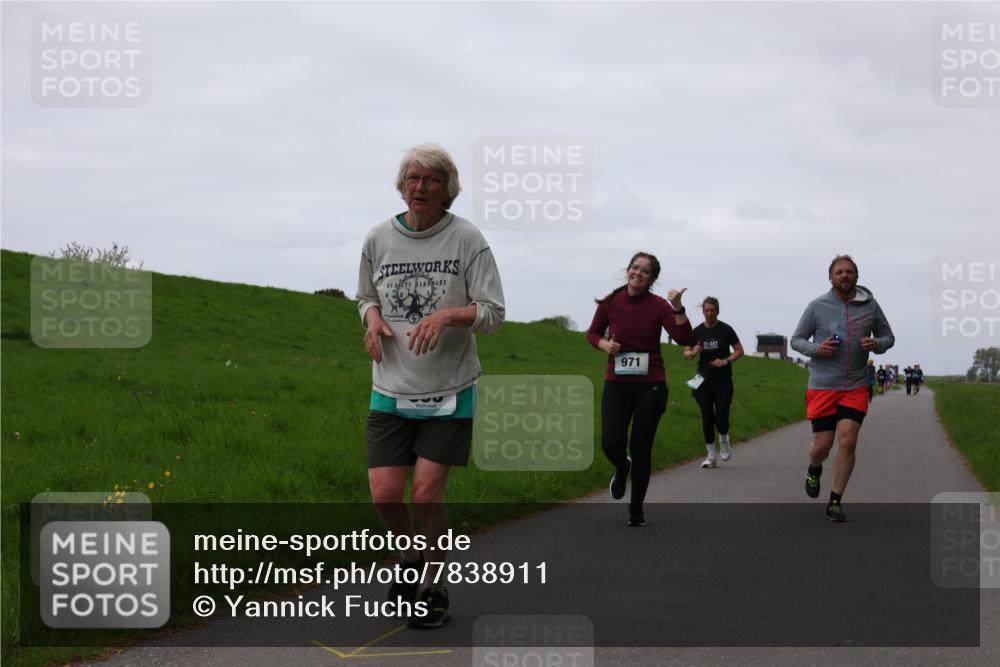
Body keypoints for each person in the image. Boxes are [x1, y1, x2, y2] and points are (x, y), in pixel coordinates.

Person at [356, 144, 505, 628]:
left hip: (449, 389)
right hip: (390, 387)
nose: (421, 187)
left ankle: (435, 582)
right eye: (413, 178)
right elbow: (364, 296)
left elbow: (493, 313)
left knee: (425, 495)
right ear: (402, 184)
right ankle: (412, 557)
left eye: (432, 181)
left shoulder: (467, 239)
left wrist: (447, 314)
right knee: (384, 495)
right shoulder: (378, 238)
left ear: (448, 190)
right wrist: (372, 319)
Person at [587, 252, 694, 527]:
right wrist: (605, 345)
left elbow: (684, 338)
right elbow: (592, 334)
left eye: (645, 271)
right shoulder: (612, 301)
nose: (638, 273)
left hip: (651, 385)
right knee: (611, 443)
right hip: (617, 383)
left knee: (641, 446)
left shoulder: (659, 306)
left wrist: (678, 307)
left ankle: (636, 511)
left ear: (652, 279)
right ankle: (623, 467)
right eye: (635, 267)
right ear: (628, 270)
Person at [790, 255, 894, 522]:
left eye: (849, 272)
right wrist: (817, 349)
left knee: (848, 440)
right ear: (831, 278)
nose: (844, 275)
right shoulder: (817, 306)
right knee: (821, 447)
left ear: (857, 276)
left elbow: (888, 337)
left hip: (855, 385)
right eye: (839, 272)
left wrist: (877, 345)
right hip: (823, 386)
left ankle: (835, 501)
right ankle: (815, 467)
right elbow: (796, 340)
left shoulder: (871, 306)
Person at [683, 297, 744, 468]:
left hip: (723, 380)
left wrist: (725, 361)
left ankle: (724, 440)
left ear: (718, 311)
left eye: (712, 310)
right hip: (702, 381)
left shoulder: (725, 330)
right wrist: (693, 351)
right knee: (707, 418)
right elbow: (686, 353)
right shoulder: (697, 331)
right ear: (703, 311)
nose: (709, 313)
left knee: (721, 419)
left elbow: (740, 350)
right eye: (706, 310)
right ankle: (711, 455)